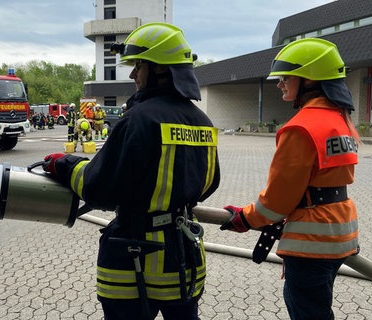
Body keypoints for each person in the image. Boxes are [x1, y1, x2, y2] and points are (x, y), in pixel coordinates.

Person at [42, 22, 220, 320]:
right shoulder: (203, 122)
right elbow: (209, 185)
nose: (132, 73)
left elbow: (99, 189)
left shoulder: (138, 119)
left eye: (139, 65)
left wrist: (64, 165)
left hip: (134, 259)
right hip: (183, 260)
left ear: (162, 70)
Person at [219, 38, 360, 320]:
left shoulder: (300, 127)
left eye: (285, 77)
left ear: (309, 80)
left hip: (311, 242)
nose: (279, 83)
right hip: (341, 234)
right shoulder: (341, 120)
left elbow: (276, 201)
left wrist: (244, 218)